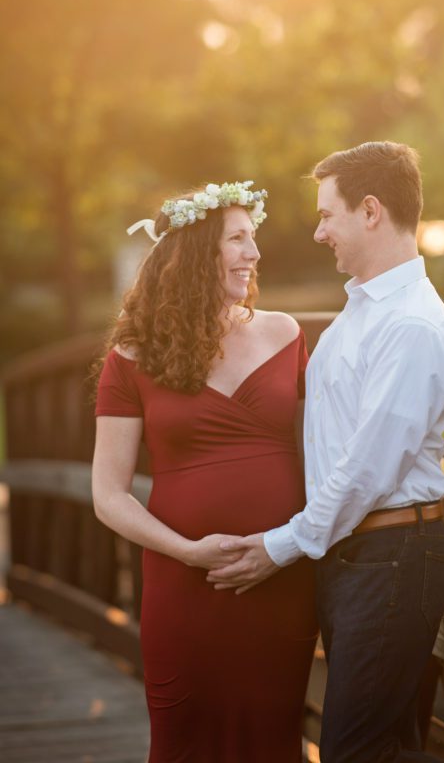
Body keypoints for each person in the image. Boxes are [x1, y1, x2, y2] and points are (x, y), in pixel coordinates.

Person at [208, 143, 444, 763]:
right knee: (381, 745)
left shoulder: (410, 327)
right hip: (356, 554)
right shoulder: (362, 313)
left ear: (371, 211)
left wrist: (280, 544)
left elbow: (369, 470)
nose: (319, 231)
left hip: (392, 555)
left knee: (354, 749)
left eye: (328, 215)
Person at [92, 181, 317, 763]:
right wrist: (187, 551)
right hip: (184, 586)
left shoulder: (285, 334)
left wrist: (286, 545)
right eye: (239, 239)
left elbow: (324, 453)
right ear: (196, 253)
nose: (255, 253)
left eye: (253, 238)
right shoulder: (132, 357)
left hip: (279, 575)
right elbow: (108, 494)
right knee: (183, 743)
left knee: (273, 740)